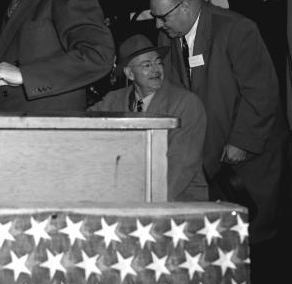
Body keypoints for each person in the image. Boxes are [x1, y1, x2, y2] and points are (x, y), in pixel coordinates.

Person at [149, 0, 292, 284]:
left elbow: (261, 93)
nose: (158, 24)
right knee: (220, 249)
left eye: (163, 16)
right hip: (210, 158)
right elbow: (175, 93)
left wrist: (241, 142)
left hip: (248, 159)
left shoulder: (237, 30)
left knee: (256, 245)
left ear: (184, 6)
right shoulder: (169, 37)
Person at [88, 34, 207, 201]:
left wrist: (148, 204)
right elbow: (83, 125)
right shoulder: (113, 100)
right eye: (147, 65)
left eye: (158, 63)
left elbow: (180, 167)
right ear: (130, 74)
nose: (156, 70)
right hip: (125, 194)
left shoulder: (186, 104)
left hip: (178, 199)